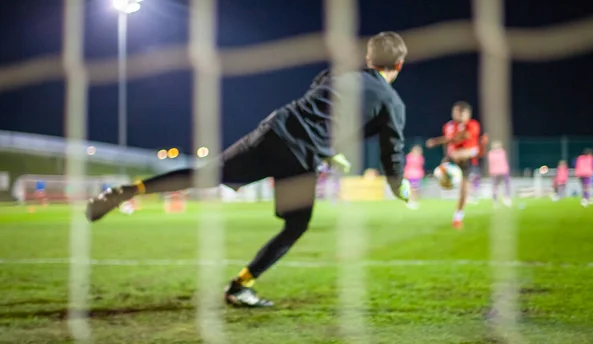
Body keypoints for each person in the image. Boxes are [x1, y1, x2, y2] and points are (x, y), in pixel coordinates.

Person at [84, 31, 412, 308]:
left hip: (275, 130)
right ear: (399, 65)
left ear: (369, 59)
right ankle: (241, 285)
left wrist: (329, 150)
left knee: (204, 174)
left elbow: (321, 103)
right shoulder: (392, 103)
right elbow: (391, 149)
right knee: (295, 225)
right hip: (299, 158)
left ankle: (126, 192)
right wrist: (399, 186)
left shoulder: (338, 74)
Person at [425, 101, 481, 229]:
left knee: (464, 191)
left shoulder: (472, 125)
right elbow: (448, 143)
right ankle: (446, 177)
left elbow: (462, 137)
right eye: (456, 112)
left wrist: (436, 141)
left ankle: (458, 217)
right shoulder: (449, 126)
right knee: (446, 166)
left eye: (461, 113)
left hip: (468, 156)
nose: (458, 115)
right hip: (453, 157)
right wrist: (446, 156)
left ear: (467, 114)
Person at [487, 140, 511, 208]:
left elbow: (504, 162)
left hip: (503, 171)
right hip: (495, 172)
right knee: (495, 186)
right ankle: (495, 200)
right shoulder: (491, 153)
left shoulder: (502, 152)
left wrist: (506, 169)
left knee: (506, 185)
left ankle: (506, 198)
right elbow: (491, 163)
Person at [404, 145, 425, 209]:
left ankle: (413, 200)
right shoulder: (409, 157)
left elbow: (420, 166)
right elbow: (407, 165)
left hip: (417, 175)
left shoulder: (420, 158)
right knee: (412, 189)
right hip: (410, 175)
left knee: (416, 189)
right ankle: (410, 201)